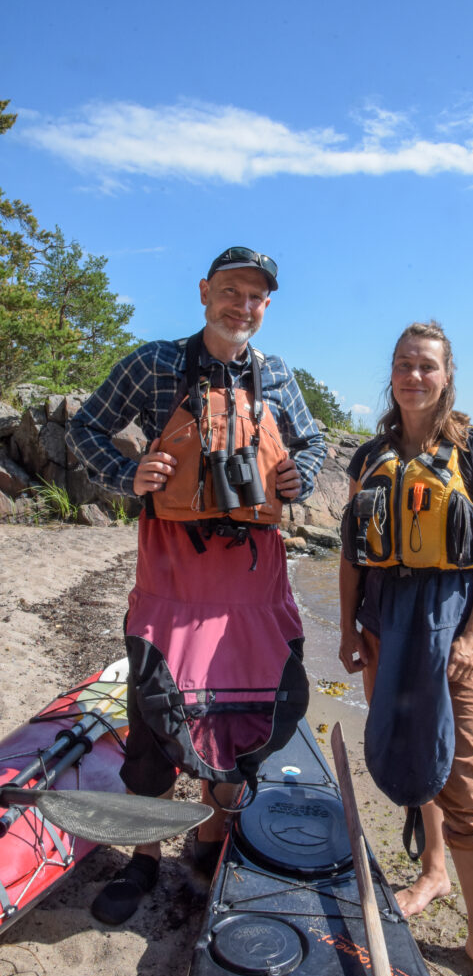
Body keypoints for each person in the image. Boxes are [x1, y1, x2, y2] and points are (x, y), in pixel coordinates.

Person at [67, 245, 326, 925]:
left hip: (252, 586)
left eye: (257, 297)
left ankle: (205, 845)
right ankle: (144, 857)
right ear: (205, 291)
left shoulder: (276, 377)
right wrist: (127, 477)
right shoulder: (154, 364)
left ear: (267, 307)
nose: (244, 306)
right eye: (233, 291)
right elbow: (85, 425)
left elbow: (313, 443)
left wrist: (303, 476)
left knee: (239, 722)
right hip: (173, 581)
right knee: (156, 723)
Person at [338, 321, 473, 976]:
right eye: (402, 364)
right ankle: (432, 870)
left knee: (465, 779)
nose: (414, 375)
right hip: (384, 630)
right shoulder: (368, 457)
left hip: (453, 638)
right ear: (390, 374)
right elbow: (353, 551)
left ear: (447, 375)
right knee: (414, 756)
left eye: (427, 366)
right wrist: (348, 631)